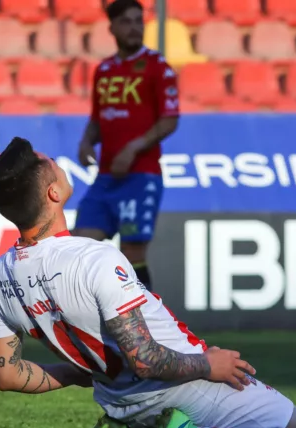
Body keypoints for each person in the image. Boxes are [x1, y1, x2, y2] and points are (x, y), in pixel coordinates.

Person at [0, 137, 296, 428]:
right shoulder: (94, 257)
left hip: (119, 402)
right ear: (53, 193)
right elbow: (146, 360)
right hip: (184, 386)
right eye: (49, 163)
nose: (56, 162)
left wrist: (78, 373)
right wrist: (209, 366)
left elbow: (7, 375)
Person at [73, 0, 179, 291]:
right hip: (106, 178)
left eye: (138, 21)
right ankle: (92, 323)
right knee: (80, 244)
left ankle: (147, 326)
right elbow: (98, 118)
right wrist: (86, 141)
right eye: (127, 22)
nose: (134, 28)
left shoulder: (158, 68)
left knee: (132, 254)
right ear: (112, 28)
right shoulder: (104, 70)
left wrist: (133, 148)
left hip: (141, 176)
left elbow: (170, 120)